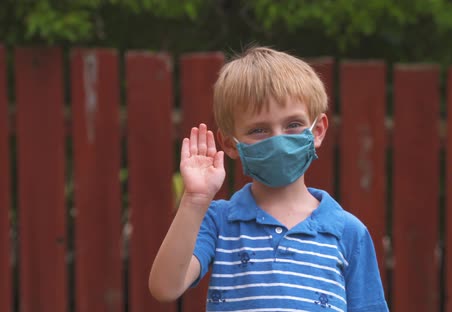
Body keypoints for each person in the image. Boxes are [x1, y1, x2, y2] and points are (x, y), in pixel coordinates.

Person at [149, 46, 389, 311]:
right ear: (230, 144)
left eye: (293, 125)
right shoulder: (219, 221)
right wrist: (195, 199)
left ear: (317, 130)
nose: (278, 140)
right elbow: (165, 287)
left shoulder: (348, 233)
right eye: (259, 129)